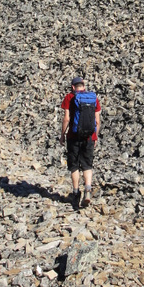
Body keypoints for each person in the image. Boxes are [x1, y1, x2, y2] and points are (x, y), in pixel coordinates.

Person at [59, 77, 101, 207]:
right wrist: (95, 136)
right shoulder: (93, 98)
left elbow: (66, 118)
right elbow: (97, 121)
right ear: (84, 86)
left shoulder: (69, 97)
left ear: (73, 87)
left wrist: (62, 135)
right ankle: (88, 190)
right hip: (89, 137)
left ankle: (76, 193)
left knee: (74, 166)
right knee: (87, 165)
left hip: (73, 136)